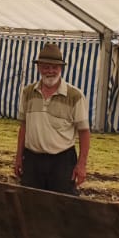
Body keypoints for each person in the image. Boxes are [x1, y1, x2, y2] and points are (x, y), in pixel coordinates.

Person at [14, 42, 90, 195]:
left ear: (61, 68)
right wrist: (18, 157)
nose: (50, 71)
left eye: (54, 67)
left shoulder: (75, 96)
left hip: (62, 161)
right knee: (29, 201)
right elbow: (24, 127)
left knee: (62, 203)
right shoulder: (28, 92)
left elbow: (84, 132)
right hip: (32, 159)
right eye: (46, 67)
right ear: (38, 67)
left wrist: (81, 164)